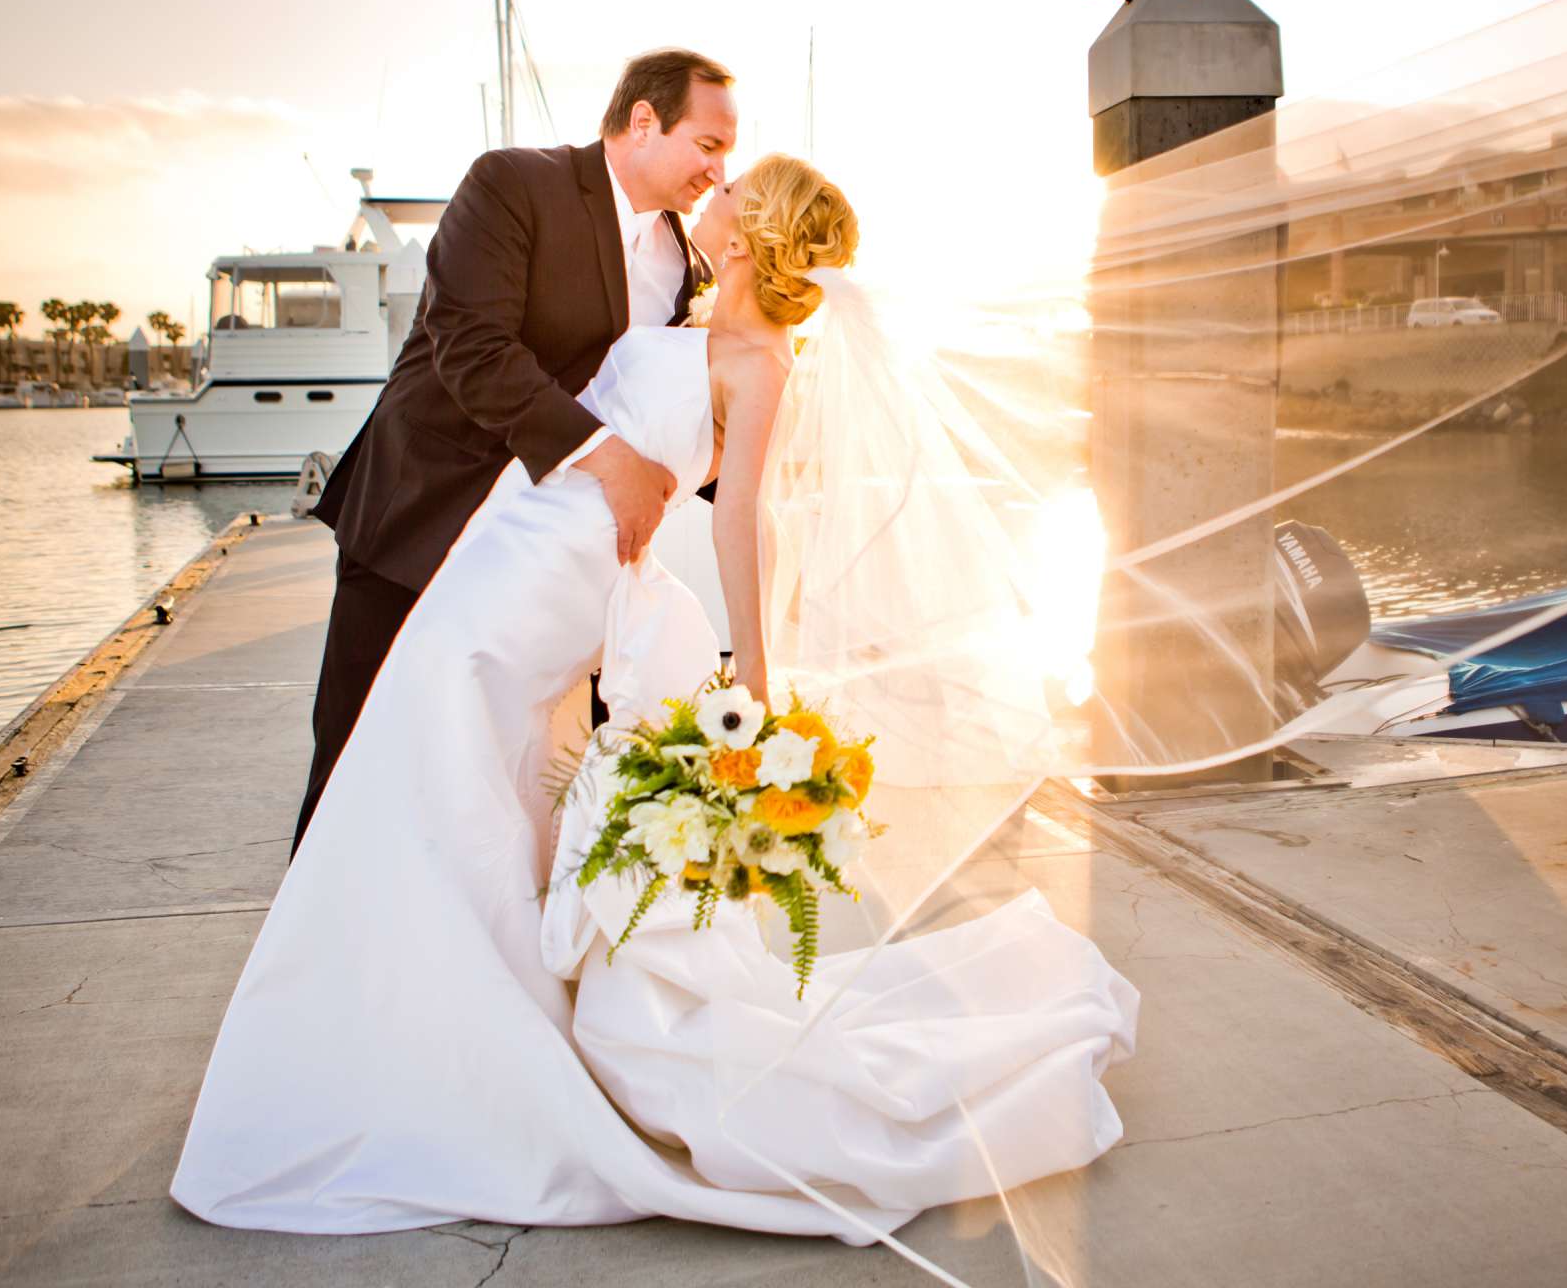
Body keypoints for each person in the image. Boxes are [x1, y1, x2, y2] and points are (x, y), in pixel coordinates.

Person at [171, 155, 1138, 1242]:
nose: (709, 192)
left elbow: (745, 519)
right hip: (521, 536)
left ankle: (435, 1050)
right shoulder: (688, 309)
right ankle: (404, 1028)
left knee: (430, 743)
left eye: (732, 189)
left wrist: (761, 679)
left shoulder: (764, 362)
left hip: (556, 568)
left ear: (750, 228)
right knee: (447, 767)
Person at [292, 49, 735, 850]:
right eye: (708, 144)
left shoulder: (687, 262)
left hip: (548, 555)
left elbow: (654, 403)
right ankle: (313, 954)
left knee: (515, 777)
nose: (719, 168)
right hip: (423, 514)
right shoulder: (512, 185)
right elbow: (470, 348)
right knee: (356, 754)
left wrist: (761, 484)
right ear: (643, 121)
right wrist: (609, 458)